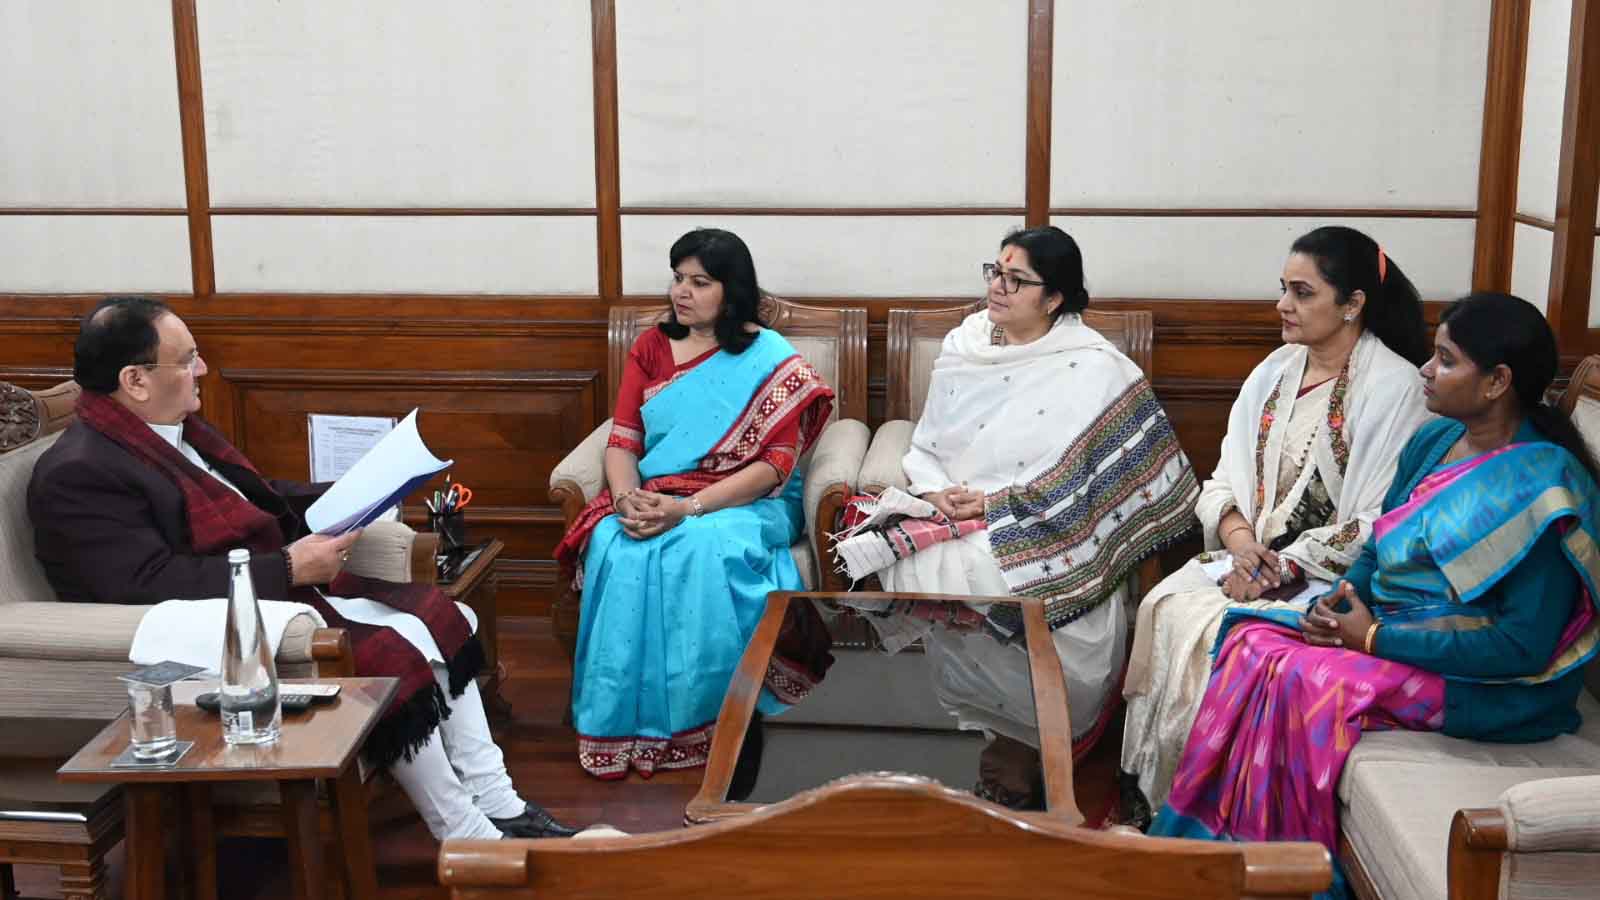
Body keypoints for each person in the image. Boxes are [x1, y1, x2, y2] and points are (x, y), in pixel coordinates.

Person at [29, 296, 575, 842]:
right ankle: (466, 833)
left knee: (439, 616)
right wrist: (288, 567)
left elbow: (255, 501)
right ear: (136, 379)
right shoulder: (79, 473)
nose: (202, 370)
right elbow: (143, 586)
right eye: (188, 358)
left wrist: (363, 494)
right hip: (217, 634)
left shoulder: (176, 429)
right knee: (398, 651)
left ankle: (497, 800)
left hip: (269, 595)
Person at [1151, 292, 1600, 899]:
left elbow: (1522, 648)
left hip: (1499, 689)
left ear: (1497, 381)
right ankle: (1212, 854)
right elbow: (1377, 546)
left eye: (1445, 359)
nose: (1426, 369)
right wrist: (1338, 601)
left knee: (1299, 679)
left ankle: (1292, 877)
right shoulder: (1434, 442)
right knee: (1251, 641)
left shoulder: (1546, 491)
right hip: (1394, 629)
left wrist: (1370, 638)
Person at [831, 226, 1199, 808]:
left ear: (1054, 299)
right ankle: (1003, 731)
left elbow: (1100, 481)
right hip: (956, 506)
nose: (997, 288)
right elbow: (930, 444)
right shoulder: (964, 345)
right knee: (933, 555)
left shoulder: (1096, 366)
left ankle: (1037, 737)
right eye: (994, 273)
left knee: (989, 569)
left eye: (1016, 280)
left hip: (1047, 521)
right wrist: (937, 493)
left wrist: (1001, 506)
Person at [1118, 226, 1432, 824]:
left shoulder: (1394, 387)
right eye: (1283, 289)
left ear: (1353, 303)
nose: (1282, 305)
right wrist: (1242, 546)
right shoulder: (1273, 372)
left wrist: (1281, 566)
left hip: (1334, 580)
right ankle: (1162, 801)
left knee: (1220, 636)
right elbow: (1220, 485)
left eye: (1302, 292)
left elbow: (1379, 521)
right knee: (1166, 604)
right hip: (1249, 559)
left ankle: (1226, 817)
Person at [553, 228, 836, 779]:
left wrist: (688, 509)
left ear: (731, 292)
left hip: (744, 499)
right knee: (614, 541)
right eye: (678, 278)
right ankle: (621, 725)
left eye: (699, 282)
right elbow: (624, 439)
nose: (682, 292)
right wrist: (626, 498)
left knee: (702, 547)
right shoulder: (651, 346)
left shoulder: (770, 356)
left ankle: (708, 722)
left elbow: (774, 466)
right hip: (657, 490)